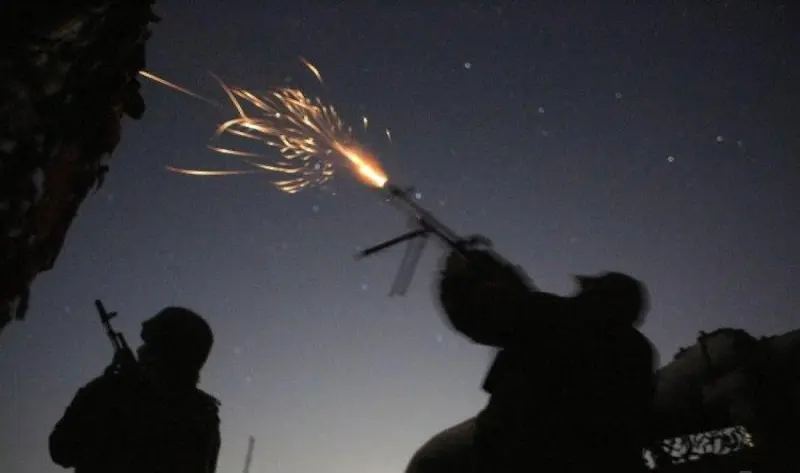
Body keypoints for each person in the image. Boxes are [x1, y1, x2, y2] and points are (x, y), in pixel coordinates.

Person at [407, 245, 656, 473]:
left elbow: (479, 316)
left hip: (523, 457)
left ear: (595, 292)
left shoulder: (556, 314)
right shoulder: (639, 352)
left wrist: (457, 278)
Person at [49, 307, 221, 473]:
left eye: (148, 346)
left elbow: (61, 450)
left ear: (158, 355)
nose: (140, 351)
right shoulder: (204, 415)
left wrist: (104, 387)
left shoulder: (117, 392)